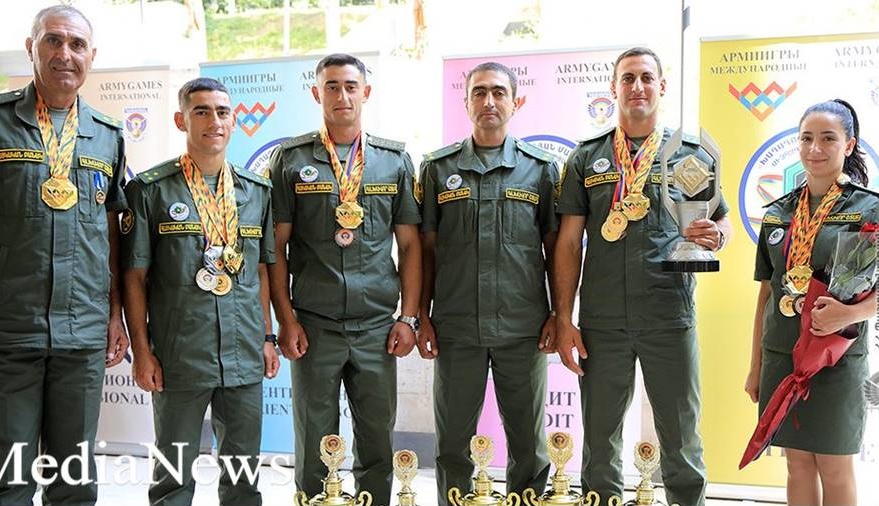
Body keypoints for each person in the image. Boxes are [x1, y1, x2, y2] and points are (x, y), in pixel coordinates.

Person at [0, 5, 128, 504]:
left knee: (74, 482)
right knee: (10, 481)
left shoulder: (108, 134)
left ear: (92, 56)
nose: (64, 54)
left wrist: (114, 313)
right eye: (53, 40)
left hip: (82, 333)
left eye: (77, 44)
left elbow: (112, 235)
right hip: (10, 327)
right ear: (30, 47)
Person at [554, 47, 732, 506]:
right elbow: (569, 243)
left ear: (661, 86)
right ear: (614, 87)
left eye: (647, 78)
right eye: (628, 78)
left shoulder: (688, 154)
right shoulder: (586, 158)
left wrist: (718, 236)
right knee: (600, 440)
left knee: (682, 438)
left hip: (669, 315)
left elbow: (722, 221)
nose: (637, 87)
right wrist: (564, 318)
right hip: (602, 321)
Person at [269, 53, 422, 505]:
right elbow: (275, 249)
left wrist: (409, 318)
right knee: (315, 442)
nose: (342, 95)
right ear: (316, 93)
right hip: (314, 326)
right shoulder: (291, 160)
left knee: (376, 441)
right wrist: (286, 320)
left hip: (376, 327)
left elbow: (410, 246)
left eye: (351, 86)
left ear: (365, 92)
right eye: (331, 86)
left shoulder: (394, 160)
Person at [121, 77, 279, 506]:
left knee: (243, 477)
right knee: (172, 478)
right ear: (181, 120)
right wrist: (142, 351)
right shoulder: (151, 190)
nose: (214, 121)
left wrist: (267, 336)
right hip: (179, 356)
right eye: (202, 111)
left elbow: (261, 271)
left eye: (222, 112)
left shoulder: (256, 192)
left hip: (243, 354)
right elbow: (134, 277)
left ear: (234, 121)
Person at [744, 99, 879, 506]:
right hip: (783, 356)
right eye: (806, 138)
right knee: (797, 464)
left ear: (848, 145)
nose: (815, 148)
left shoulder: (870, 208)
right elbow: (767, 293)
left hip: (836, 360)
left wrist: (849, 313)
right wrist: (756, 366)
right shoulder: (778, 212)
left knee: (835, 467)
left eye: (828, 139)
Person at [417, 61, 556, 505]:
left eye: (499, 92)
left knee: (529, 446)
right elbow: (425, 251)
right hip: (457, 329)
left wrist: (559, 313)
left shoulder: (541, 169)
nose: (489, 101)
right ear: (466, 102)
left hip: (523, 329)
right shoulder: (437, 169)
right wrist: (421, 316)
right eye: (479, 92)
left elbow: (557, 250)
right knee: (452, 445)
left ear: (517, 102)